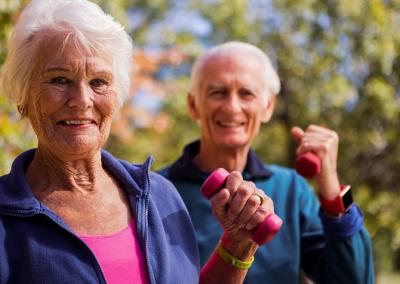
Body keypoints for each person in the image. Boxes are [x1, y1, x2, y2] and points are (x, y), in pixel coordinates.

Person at [0, 1, 278, 283]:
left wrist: (237, 245)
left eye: (99, 81)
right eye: (59, 79)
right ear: (22, 96)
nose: (81, 99)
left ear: (116, 97)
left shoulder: (161, 197)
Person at [159, 41, 374, 283]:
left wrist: (332, 186)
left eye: (246, 93)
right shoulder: (156, 191)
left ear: (268, 106)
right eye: (217, 92)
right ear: (193, 105)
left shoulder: (292, 188)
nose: (232, 107)